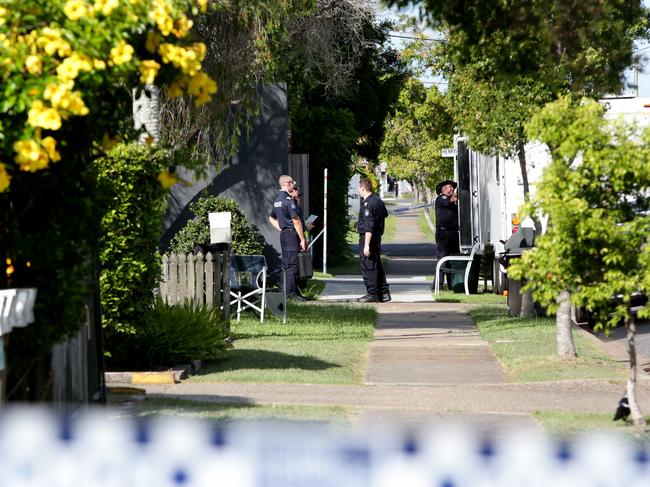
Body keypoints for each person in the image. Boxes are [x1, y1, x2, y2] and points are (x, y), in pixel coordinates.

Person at [269, 175, 306, 301]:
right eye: (292, 183)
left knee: (286, 263)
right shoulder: (288, 201)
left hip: (284, 234)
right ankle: (291, 294)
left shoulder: (278, 201)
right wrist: (302, 239)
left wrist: (281, 228)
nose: (293, 185)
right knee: (292, 265)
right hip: (291, 234)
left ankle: (289, 291)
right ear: (287, 183)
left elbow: (271, 218)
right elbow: (296, 221)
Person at [356, 177, 390, 303]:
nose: (359, 191)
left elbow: (369, 226)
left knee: (368, 266)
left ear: (363, 188)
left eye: (359, 188)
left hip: (368, 237)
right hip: (377, 237)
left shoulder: (368, 204)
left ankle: (372, 293)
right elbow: (384, 214)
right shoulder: (378, 201)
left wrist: (366, 245)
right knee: (376, 265)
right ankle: (383, 292)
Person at [435, 179, 460, 290]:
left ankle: (452, 285)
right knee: (442, 259)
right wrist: (458, 195)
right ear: (443, 189)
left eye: (452, 188)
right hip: (443, 234)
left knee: (453, 260)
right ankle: (438, 285)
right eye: (450, 187)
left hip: (453, 233)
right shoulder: (441, 199)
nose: (452, 189)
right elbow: (452, 199)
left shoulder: (453, 202)